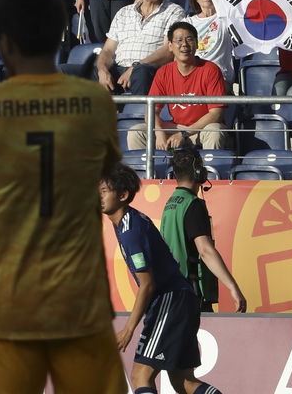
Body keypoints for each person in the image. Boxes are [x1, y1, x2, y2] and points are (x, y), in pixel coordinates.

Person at [0, 0, 125, 391]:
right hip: (79, 300)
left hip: (8, 299)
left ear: (3, 43)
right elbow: (105, 167)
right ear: (60, 36)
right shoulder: (95, 103)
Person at [100, 163, 225, 394]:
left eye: (103, 191)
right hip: (180, 299)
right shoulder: (128, 223)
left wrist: (129, 328)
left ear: (123, 195)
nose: (98, 196)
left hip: (170, 301)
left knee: (140, 376)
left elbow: (147, 284)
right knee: (183, 382)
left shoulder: (130, 231)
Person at [161, 146, 248, 313]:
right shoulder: (192, 204)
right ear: (199, 172)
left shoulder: (171, 203)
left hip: (173, 290)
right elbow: (205, 250)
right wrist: (233, 287)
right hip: (191, 294)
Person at [125, 21, 228, 150]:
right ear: (170, 46)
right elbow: (151, 111)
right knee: (137, 132)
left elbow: (216, 114)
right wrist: (159, 132)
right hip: (176, 127)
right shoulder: (164, 72)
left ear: (196, 44)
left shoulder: (211, 70)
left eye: (189, 39)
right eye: (178, 40)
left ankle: (210, 169)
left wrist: (185, 134)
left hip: (202, 129)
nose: (184, 44)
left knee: (215, 130)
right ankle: (141, 170)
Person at [95, 0, 184, 95]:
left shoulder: (174, 11)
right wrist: (102, 70)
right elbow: (108, 50)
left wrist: (135, 67)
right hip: (119, 69)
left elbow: (169, 51)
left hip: (149, 70)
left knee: (141, 72)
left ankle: (142, 114)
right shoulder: (124, 12)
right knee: (68, 71)